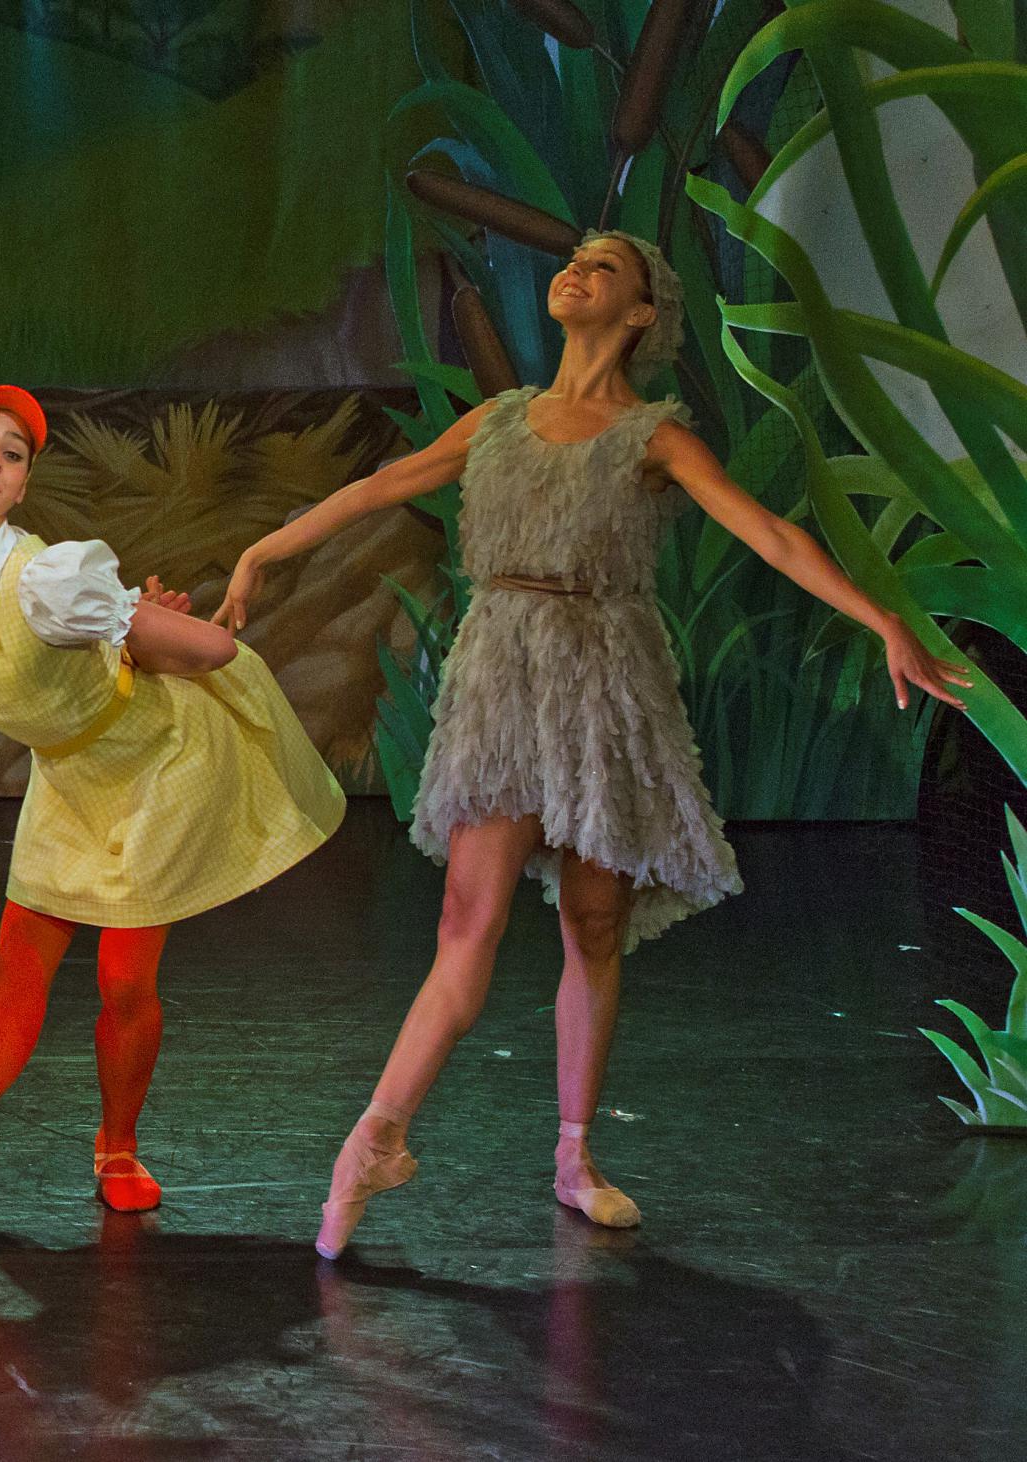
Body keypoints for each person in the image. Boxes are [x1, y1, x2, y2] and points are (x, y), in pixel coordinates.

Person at [212, 235, 970, 1255]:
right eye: (571, 259)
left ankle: (573, 1154)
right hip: (502, 674)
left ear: (640, 312)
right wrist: (263, 548)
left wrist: (879, 619)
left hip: (604, 681)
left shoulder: (651, 437)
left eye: (601, 266)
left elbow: (770, 535)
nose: (574, 270)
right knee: (464, 919)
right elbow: (375, 489)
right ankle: (374, 1138)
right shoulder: (498, 421)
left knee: (594, 918)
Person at [0, 385, 346, 1224]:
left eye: (13, 453)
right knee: (15, 970)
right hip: (69, 772)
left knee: (124, 976)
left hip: (157, 761)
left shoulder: (52, 579)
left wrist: (132, 623)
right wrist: (127, 633)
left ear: (24, 487)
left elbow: (213, 649)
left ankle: (118, 1145)